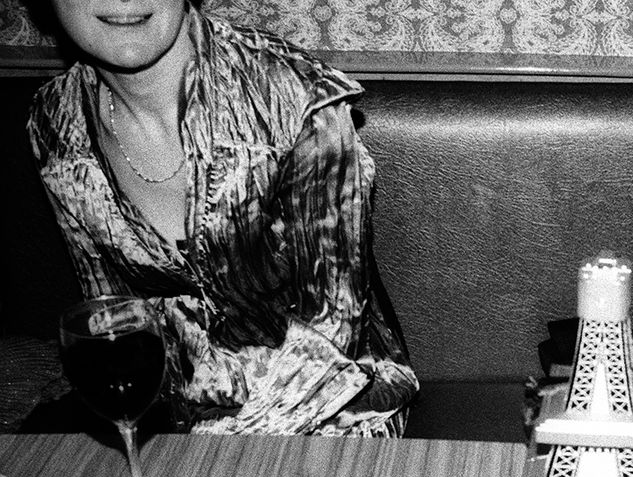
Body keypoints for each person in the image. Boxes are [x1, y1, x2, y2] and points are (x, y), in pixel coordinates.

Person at [26, 0, 418, 436]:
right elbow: (110, 318)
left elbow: (333, 328)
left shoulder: (292, 96)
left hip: (333, 408)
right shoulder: (56, 120)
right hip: (179, 419)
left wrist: (219, 443)